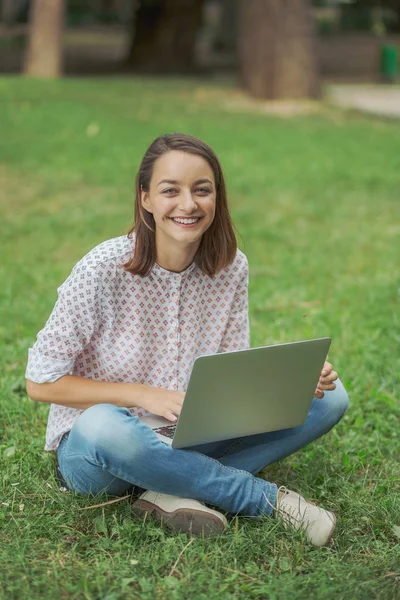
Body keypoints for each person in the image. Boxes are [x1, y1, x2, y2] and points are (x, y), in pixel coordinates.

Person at [25, 133, 349, 547]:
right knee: (102, 422)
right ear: (145, 199)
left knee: (332, 397)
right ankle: (265, 501)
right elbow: (40, 383)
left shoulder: (231, 268)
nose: (188, 204)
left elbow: (231, 373)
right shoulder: (101, 269)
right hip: (100, 447)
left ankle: (167, 488)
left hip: (188, 428)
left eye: (202, 190)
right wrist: (143, 396)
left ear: (217, 197)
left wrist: (291, 381)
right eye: (169, 190)